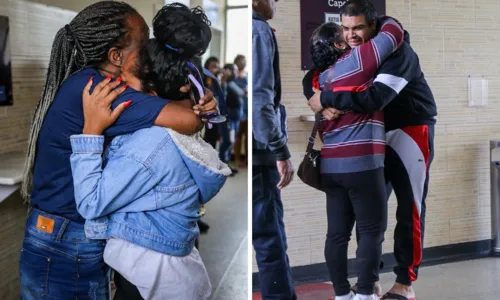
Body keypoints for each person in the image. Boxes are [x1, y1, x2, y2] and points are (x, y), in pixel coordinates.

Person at [18, 2, 217, 299]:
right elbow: (188, 121)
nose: (151, 47)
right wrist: (198, 103)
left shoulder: (87, 79)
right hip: (64, 240)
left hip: (59, 234)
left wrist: (201, 100)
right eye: (144, 40)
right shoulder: (103, 91)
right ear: (116, 56)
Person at [70, 4, 230, 299]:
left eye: (126, 82)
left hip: (149, 276)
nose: (116, 83)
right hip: (162, 269)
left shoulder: (150, 145)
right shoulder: (171, 131)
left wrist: (90, 132)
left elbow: (91, 203)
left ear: (152, 94)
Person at [307, 1, 437, 299]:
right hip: (374, 138)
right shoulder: (356, 54)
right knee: (370, 216)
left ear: (375, 26)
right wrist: (319, 99)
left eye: (359, 28)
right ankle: (370, 281)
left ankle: (405, 282)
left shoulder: (399, 51)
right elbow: (316, 78)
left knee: (410, 207)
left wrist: (327, 99)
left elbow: (377, 97)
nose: (352, 35)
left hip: (409, 128)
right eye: (347, 28)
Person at [304, 15, 404, 300]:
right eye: (344, 33)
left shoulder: (320, 80)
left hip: (331, 168)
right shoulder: (355, 65)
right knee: (372, 231)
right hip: (362, 163)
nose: (351, 36)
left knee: (336, 235)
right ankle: (364, 294)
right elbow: (393, 33)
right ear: (338, 44)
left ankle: (342, 294)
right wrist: (376, 19)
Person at [252, 0, 296, 299]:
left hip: (256, 151)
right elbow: (261, 100)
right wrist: (281, 150)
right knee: (270, 237)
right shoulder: (258, 31)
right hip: (261, 153)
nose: (276, 4)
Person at [202, 56, 223, 148]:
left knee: (213, 138)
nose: (215, 69)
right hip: (203, 114)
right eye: (213, 67)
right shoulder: (201, 82)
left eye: (217, 67)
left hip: (215, 114)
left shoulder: (217, 82)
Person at [233, 54, 248, 167]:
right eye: (241, 61)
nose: (243, 62)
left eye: (244, 60)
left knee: (247, 136)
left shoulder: (248, 75)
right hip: (238, 108)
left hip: (248, 108)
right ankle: (238, 159)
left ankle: (247, 159)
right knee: (238, 135)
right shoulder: (233, 76)